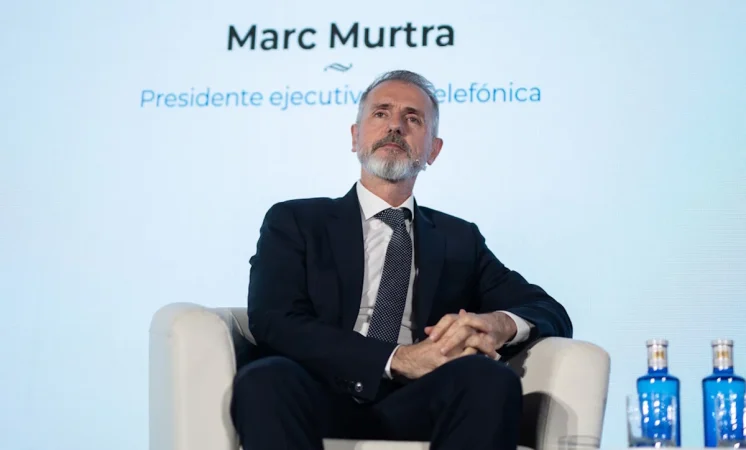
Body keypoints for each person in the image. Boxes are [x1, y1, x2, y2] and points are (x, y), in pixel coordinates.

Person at [230, 70, 573, 450]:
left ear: (433, 151)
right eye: (381, 113)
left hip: (419, 402)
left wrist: (500, 324)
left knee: (489, 379)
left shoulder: (459, 239)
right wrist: (397, 358)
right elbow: (273, 319)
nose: (395, 126)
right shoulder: (296, 220)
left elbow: (549, 311)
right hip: (318, 390)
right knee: (265, 379)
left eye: (413, 118)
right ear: (355, 137)